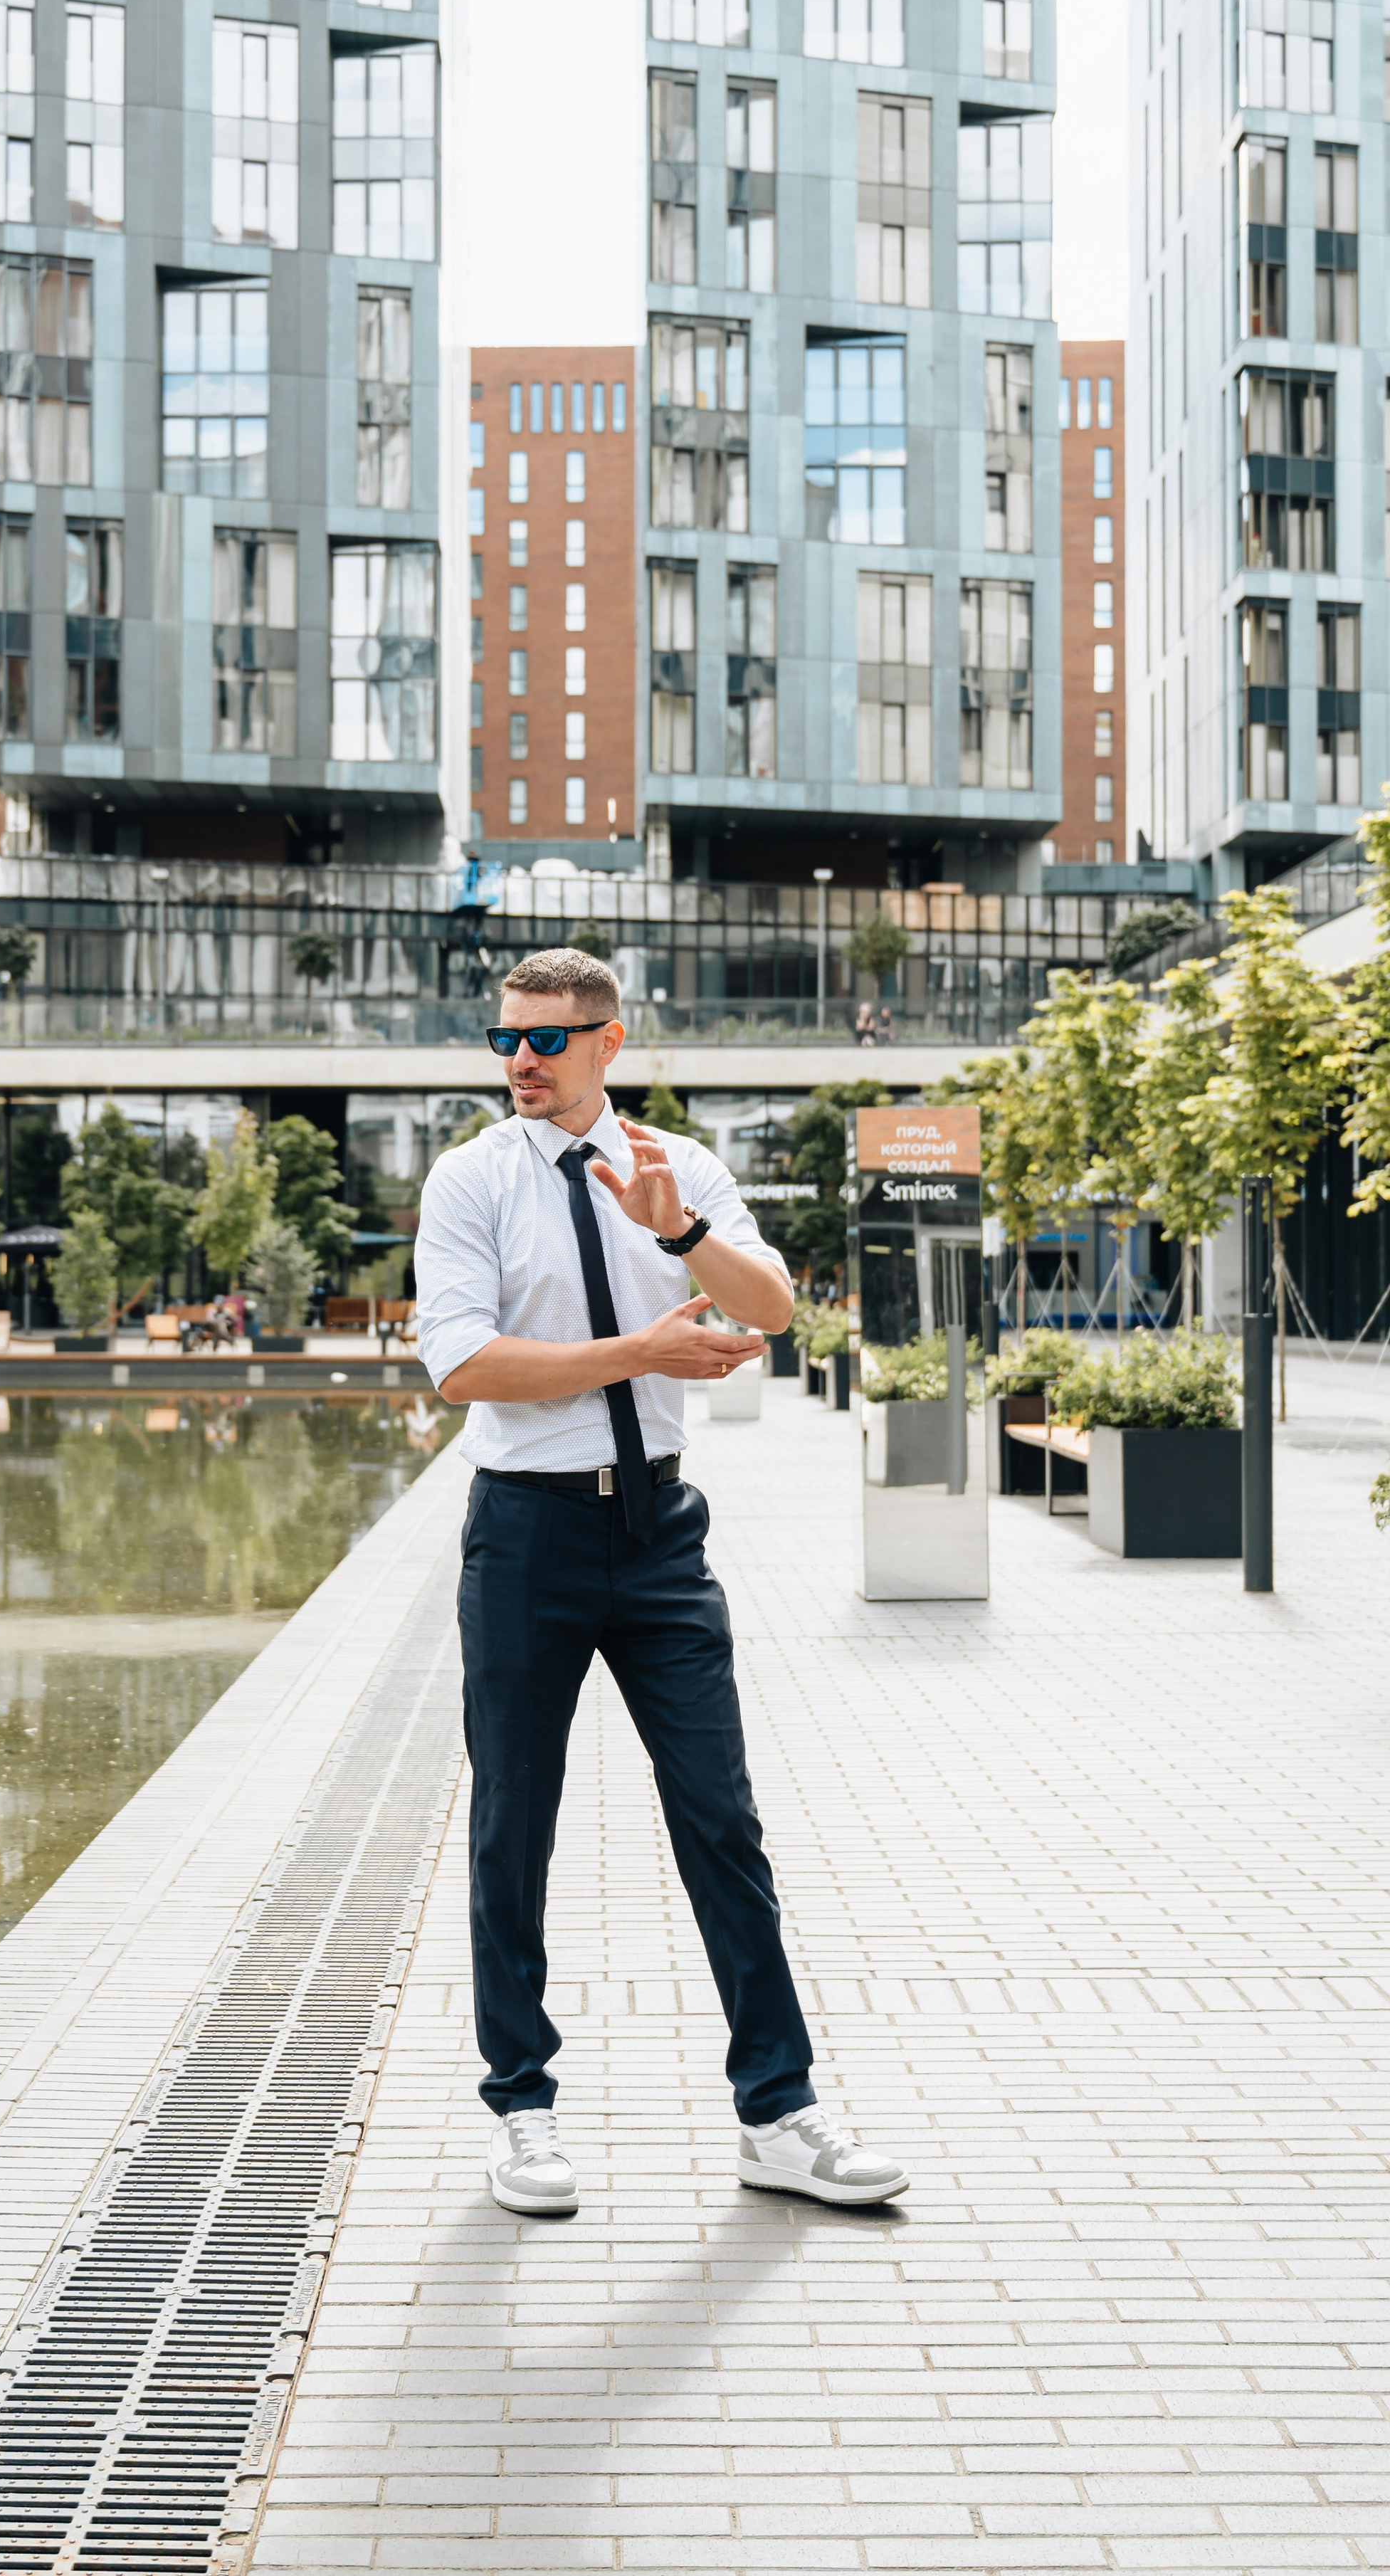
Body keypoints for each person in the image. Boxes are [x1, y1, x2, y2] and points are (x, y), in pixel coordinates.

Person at [415, 948, 908, 2219]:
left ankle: (779, 2112)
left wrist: (677, 1232)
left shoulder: (680, 1168)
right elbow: (462, 1368)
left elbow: (777, 1307)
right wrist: (645, 1348)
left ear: (608, 1042)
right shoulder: (469, 1180)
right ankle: (521, 2108)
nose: (521, 1061)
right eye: (504, 1040)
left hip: (660, 1536)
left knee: (721, 1816)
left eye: (547, 1040)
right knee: (511, 1825)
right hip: (524, 1536)